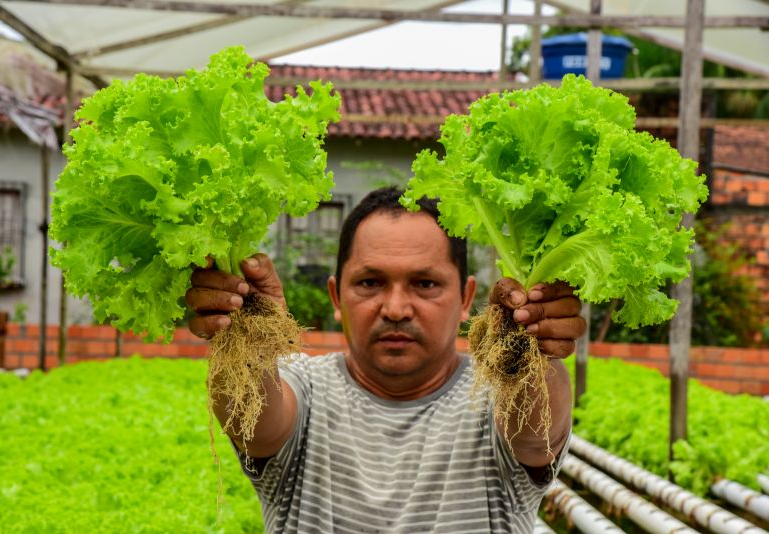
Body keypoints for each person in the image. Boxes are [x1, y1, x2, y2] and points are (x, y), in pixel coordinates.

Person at [186, 187, 585, 533]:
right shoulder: (302, 386)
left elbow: (535, 434)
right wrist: (243, 329)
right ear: (336, 297)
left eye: (425, 284)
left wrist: (533, 345)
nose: (395, 308)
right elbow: (255, 423)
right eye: (370, 283)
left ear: (466, 298)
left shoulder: (496, 396)